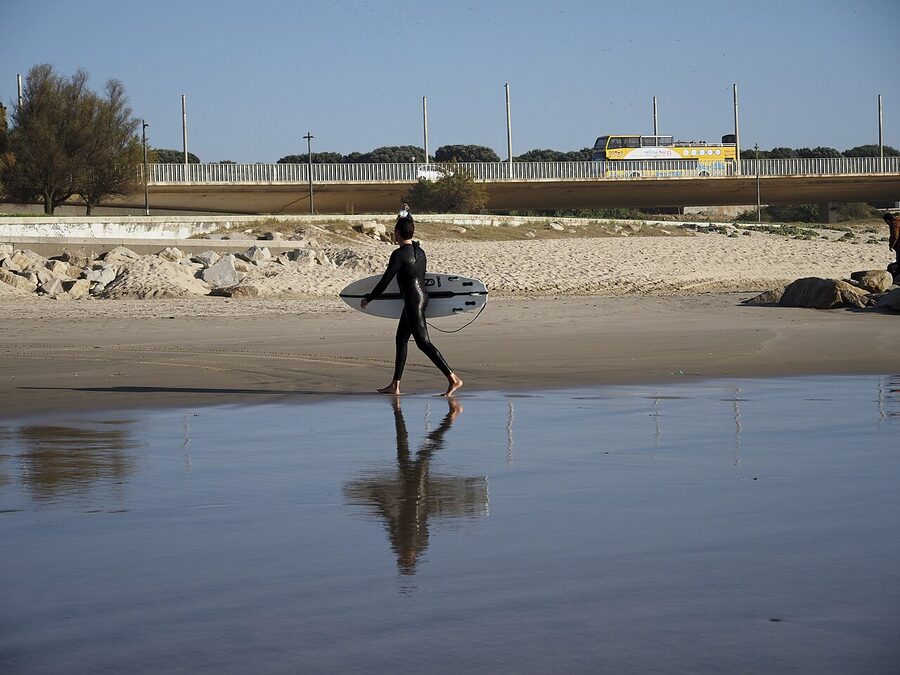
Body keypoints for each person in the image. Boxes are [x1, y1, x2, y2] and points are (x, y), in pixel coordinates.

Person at [361, 214, 463, 396]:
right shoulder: (420, 251)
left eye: (395, 231)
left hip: (413, 302)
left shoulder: (399, 255)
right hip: (421, 298)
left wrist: (369, 298)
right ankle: (395, 385)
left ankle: (453, 378)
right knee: (401, 339)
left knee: (423, 343)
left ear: (398, 233)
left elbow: (385, 282)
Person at [884, 211, 900, 276]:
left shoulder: (894, 224)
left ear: (888, 220)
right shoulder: (898, 220)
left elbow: (895, 236)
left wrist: (891, 245)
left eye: (886, 222)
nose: (887, 223)